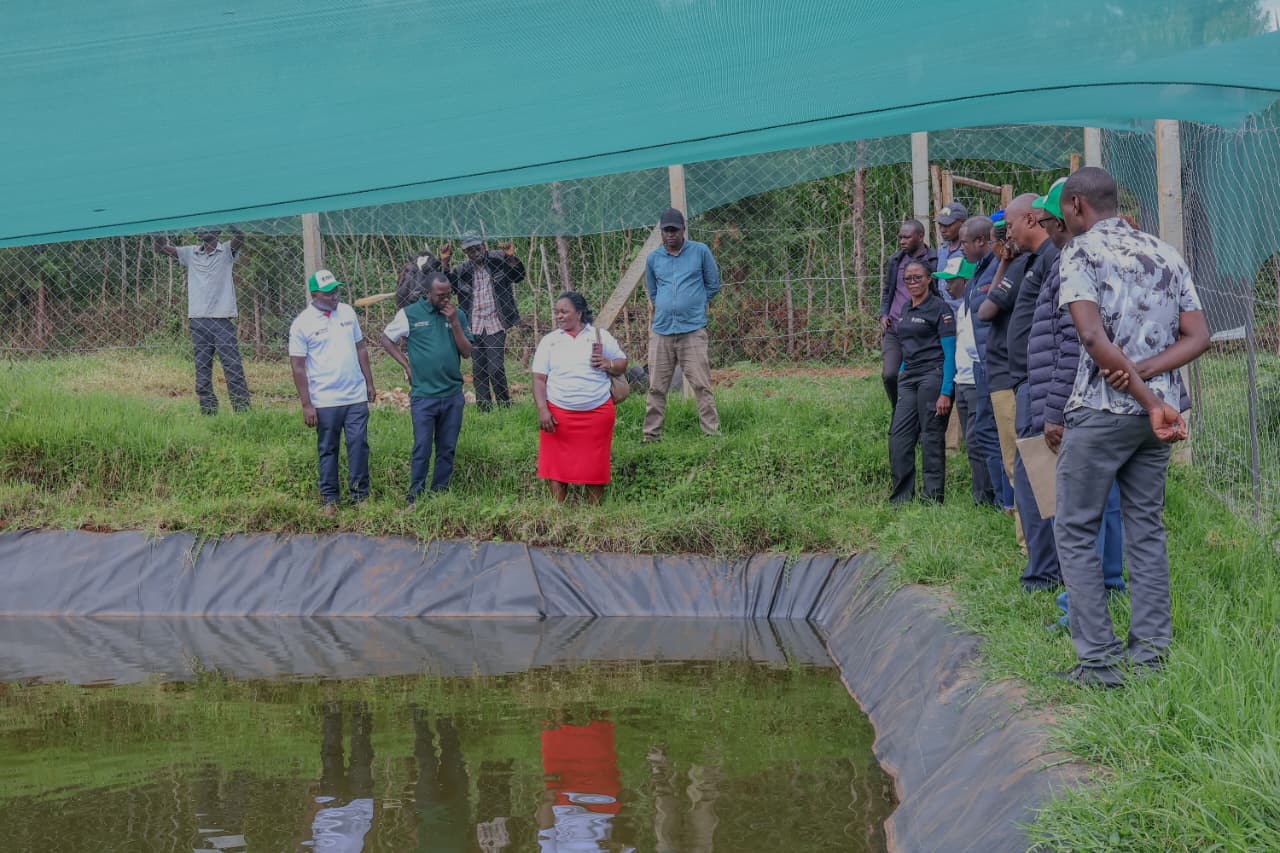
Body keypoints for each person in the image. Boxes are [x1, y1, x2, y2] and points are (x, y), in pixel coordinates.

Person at [1055, 166, 1210, 686]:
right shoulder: (1163, 252)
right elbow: (1198, 336)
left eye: (1063, 211)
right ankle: (1150, 656)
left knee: (1075, 529)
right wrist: (1152, 386)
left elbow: (1093, 338)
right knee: (1146, 529)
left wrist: (1139, 389)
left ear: (1077, 205)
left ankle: (1098, 662)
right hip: (1158, 419)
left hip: (1103, 413)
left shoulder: (1081, 252)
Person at [1025, 177, 1126, 627]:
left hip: (1081, 404)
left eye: (1051, 218)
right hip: (1116, 402)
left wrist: (1052, 412)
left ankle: (1078, 610)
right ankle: (1112, 588)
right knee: (1109, 502)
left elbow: (1074, 340)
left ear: (1071, 210)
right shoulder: (1108, 253)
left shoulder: (1077, 262)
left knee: (1079, 510)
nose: (1049, 227)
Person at [379, 271, 473, 506]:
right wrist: (406, 365)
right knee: (422, 447)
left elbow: (467, 352)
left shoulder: (457, 314)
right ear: (426, 294)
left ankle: (439, 494)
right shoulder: (409, 314)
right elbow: (386, 339)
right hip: (424, 396)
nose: (446, 299)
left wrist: (453, 323)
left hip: (452, 394)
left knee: (447, 447)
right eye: (440, 295)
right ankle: (415, 496)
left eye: (449, 294)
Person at [1005, 192, 1060, 591]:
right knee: (1028, 476)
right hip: (1027, 381)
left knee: (1035, 476)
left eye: (1010, 224)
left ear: (1030, 218)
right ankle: (1043, 568)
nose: (1007, 233)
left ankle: (1044, 574)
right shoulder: (1032, 261)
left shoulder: (1052, 259)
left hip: (1038, 384)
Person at [288, 270, 377, 516]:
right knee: (328, 447)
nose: (335, 297)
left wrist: (369, 382)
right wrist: (307, 404)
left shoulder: (348, 312)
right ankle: (329, 499)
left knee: (358, 444)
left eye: (336, 291)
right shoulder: (302, 324)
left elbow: (361, 349)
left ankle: (360, 496)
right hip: (325, 399)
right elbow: (297, 366)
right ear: (315, 295)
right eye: (329, 294)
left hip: (354, 395)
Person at [532, 292, 627, 504]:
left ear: (579, 313)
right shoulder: (550, 341)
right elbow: (538, 379)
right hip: (558, 413)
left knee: (594, 464)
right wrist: (542, 409)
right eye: (556, 312)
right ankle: (559, 511)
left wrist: (608, 364)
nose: (559, 316)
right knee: (556, 465)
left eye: (564, 312)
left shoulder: (599, 336)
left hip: (597, 412)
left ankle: (592, 513)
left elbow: (622, 363)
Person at [642, 207, 722, 441]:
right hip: (662, 331)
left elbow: (713, 285)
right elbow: (653, 292)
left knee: (701, 384)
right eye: (666, 231)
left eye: (674, 230)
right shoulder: (654, 258)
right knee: (656, 387)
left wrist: (694, 305)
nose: (670, 235)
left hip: (692, 331)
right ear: (661, 232)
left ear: (683, 230)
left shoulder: (700, 252)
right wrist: (669, 306)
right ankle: (651, 436)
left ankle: (711, 433)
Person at [153, 226, 251, 415]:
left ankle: (243, 411)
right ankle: (208, 412)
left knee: (233, 368)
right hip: (198, 321)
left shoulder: (226, 252)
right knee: (202, 370)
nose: (202, 230)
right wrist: (157, 229)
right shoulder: (190, 253)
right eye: (200, 227)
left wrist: (229, 219)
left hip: (222, 320)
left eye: (208, 226)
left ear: (218, 231)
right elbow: (161, 248)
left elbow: (241, 235)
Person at [888, 260, 955, 503]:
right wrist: (903, 371)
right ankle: (901, 497)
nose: (913, 282)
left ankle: (932, 498)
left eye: (917, 277)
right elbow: (906, 347)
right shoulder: (906, 308)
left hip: (933, 376)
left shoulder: (940, 308)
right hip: (909, 378)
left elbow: (950, 352)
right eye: (908, 279)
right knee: (899, 436)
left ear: (929, 279)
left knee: (931, 436)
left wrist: (946, 391)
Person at [959, 216, 1014, 511]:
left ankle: (1008, 500)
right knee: (985, 431)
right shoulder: (979, 270)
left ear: (982, 241)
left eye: (964, 242)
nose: (960, 249)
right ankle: (1001, 499)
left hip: (998, 366)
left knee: (998, 433)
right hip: (982, 365)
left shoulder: (998, 267)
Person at [444, 234, 525, 411]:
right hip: (474, 325)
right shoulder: (463, 270)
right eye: (470, 250)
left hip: (496, 322)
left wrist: (510, 255)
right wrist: (445, 262)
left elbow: (518, 276)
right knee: (479, 370)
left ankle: (504, 406)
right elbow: (448, 286)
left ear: (484, 246)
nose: (475, 253)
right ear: (465, 252)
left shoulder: (498, 260)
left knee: (495, 367)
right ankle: (484, 409)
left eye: (477, 248)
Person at [936, 256, 991, 505]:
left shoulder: (979, 307)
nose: (947, 287)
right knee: (972, 440)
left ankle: (987, 497)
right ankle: (979, 494)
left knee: (978, 438)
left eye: (952, 281)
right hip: (962, 380)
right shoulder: (960, 309)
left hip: (976, 381)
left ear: (967, 280)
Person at [878, 220, 938, 408]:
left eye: (906, 237)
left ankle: (918, 416)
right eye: (900, 237)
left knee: (920, 376)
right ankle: (900, 412)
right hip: (895, 327)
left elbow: (937, 293)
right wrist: (883, 314)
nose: (902, 241)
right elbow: (888, 290)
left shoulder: (934, 260)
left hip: (922, 329)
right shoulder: (895, 260)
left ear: (920, 236)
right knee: (890, 374)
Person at [935, 202, 969, 314]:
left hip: (963, 312)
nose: (942, 230)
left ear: (963, 223)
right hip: (944, 313)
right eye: (940, 225)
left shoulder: (970, 252)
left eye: (948, 225)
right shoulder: (942, 250)